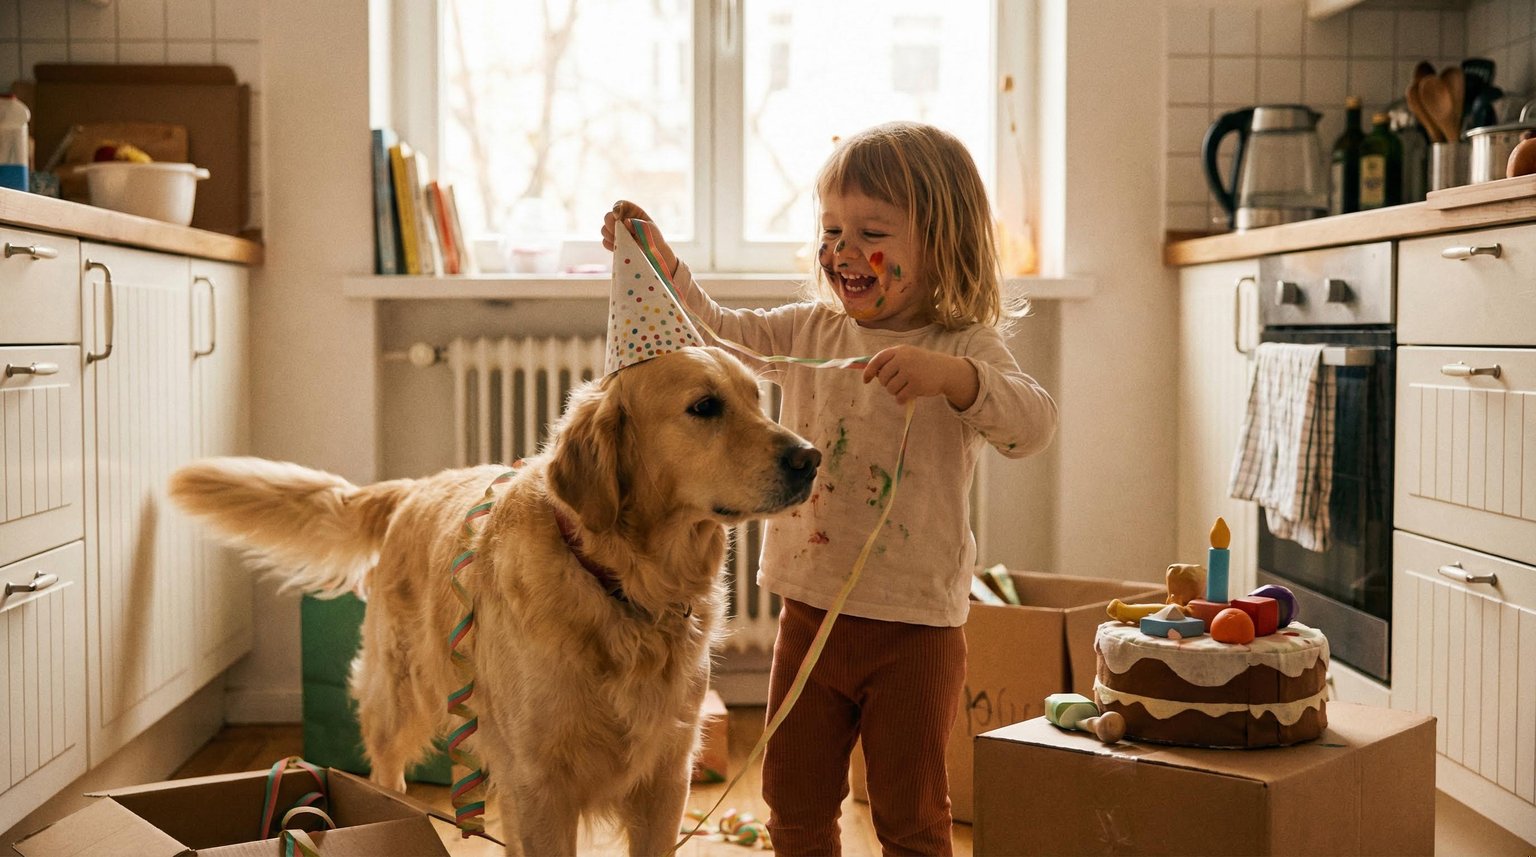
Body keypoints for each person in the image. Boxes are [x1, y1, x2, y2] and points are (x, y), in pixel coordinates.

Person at [600, 121, 1057, 856]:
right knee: (795, 800)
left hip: (917, 629)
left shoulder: (963, 348)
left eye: (870, 230)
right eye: (832, 228)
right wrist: (665, 268)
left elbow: (1032, 426)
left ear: (941, 244)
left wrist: (958, 380)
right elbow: (714, 336)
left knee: (911, 814)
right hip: (810, 614)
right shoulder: (813, 330)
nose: (843, 250)